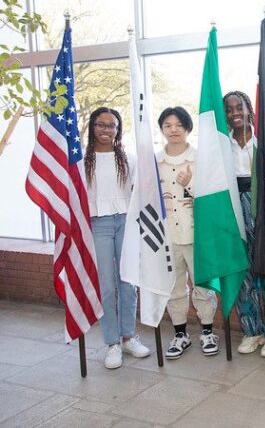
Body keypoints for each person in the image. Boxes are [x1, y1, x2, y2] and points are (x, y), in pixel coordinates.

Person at [84, 107, 151, 369]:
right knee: (107, 286)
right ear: (92, 127)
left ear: (118, 129)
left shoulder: (128, 159)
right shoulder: (82, 161)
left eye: (111, 125)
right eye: (100, 125)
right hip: (98, 223)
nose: (105, 130)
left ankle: (128, 336)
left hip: (126, 221)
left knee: (128, 282)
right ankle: (112, 343)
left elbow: (141, 192)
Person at [224, 91, 265, 357]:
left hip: (262, 202)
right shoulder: (221, 142)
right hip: (233, 204)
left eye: (240, 107)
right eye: (229, 109)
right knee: (242, 270)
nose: (235, 112)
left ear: (249, 109)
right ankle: (252, 329)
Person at [157, 106, 219, 359]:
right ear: (161, 129)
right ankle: (180, 334)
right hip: (167, 236)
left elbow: (212, 197)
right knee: (174, 287)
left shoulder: (200, 159)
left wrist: (189, 183)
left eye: (179, 125)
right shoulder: (154, 162)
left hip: (197, 235)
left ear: (188, 129)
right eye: (168, 125)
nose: (174, 130)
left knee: (203, 285)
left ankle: (207, 331)